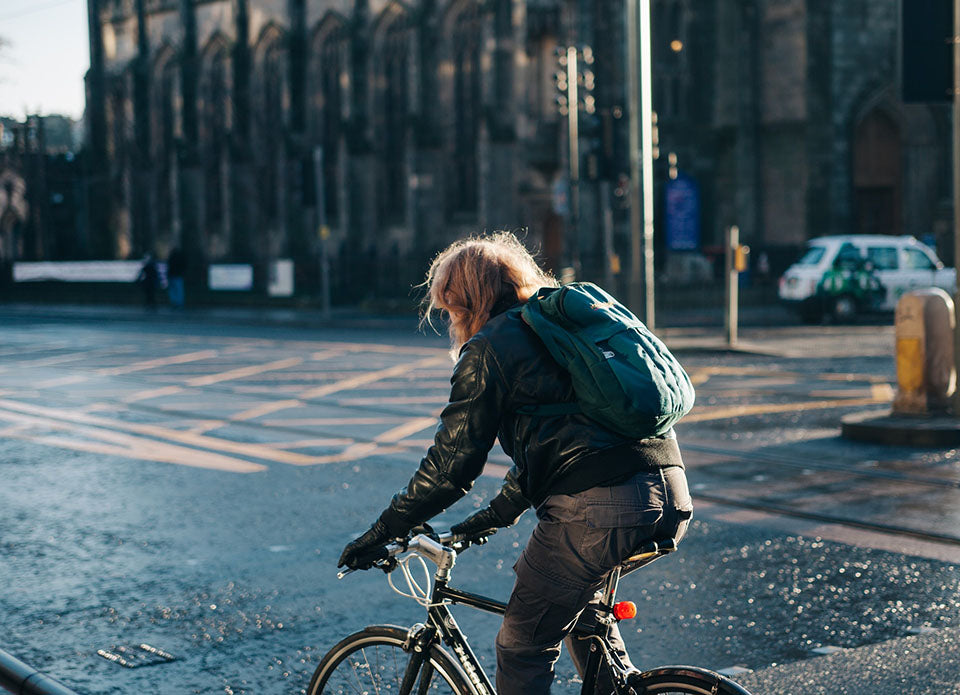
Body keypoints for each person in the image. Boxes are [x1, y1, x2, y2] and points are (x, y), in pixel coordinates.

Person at [338, 232, 694, 695]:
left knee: (522, 646)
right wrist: (483, 521)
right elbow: (554, 450)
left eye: (449, 310)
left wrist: (382, 531)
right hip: (667, 489)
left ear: (466, 303)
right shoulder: (554, 329)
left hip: (600, 510)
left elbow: (451, 466)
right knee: (585, 622)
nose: (450, 321)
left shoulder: (490, 347)